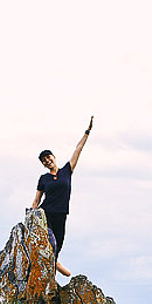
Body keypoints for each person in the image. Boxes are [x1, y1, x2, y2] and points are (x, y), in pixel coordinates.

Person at [30, 116, 93, 277]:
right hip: (46, 213)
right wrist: (30, 216)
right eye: (44, 160)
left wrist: (87, 132)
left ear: (53, 157)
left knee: (57, 246)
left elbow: (78, 150)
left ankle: (54, 267)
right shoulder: (43, 179)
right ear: (43, 164)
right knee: (50, 241)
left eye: (48, 158)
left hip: (61, 214)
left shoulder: (66, 171)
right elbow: (37, 200)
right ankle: (51, 269)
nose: (47, 161)